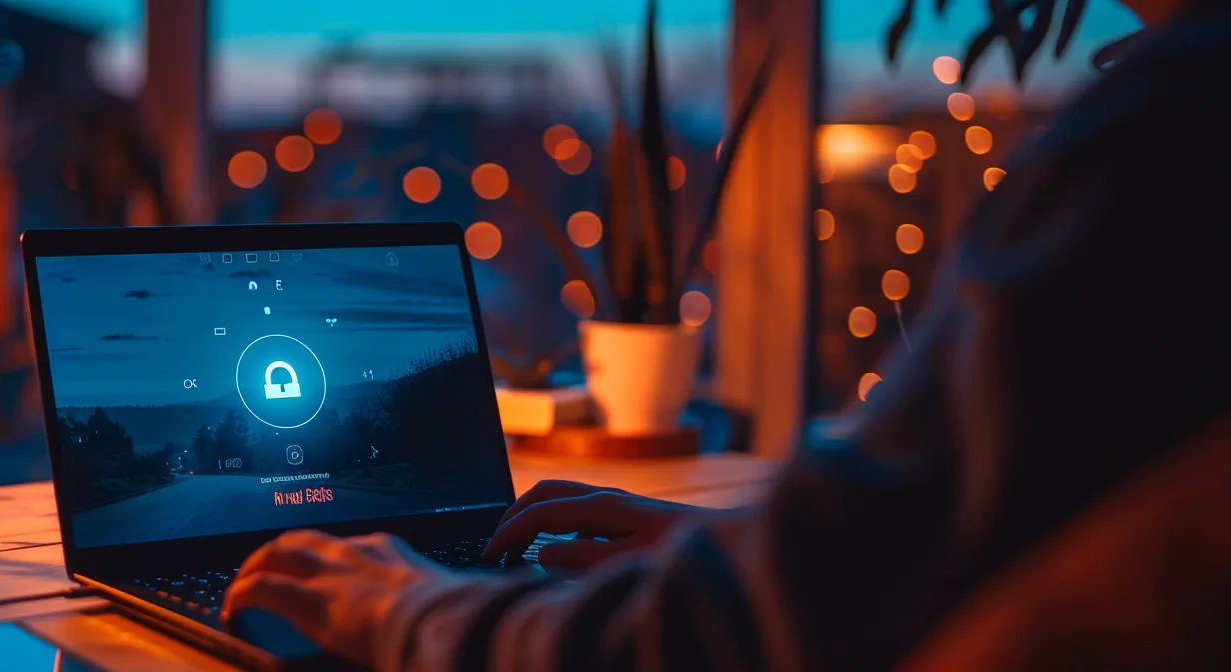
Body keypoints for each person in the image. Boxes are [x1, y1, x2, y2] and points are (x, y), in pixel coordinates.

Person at [223, 1, 1231, 669]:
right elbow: (963, 532)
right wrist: (738, 544)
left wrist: (400, 610)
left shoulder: (1176, 132)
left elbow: (720, 642)